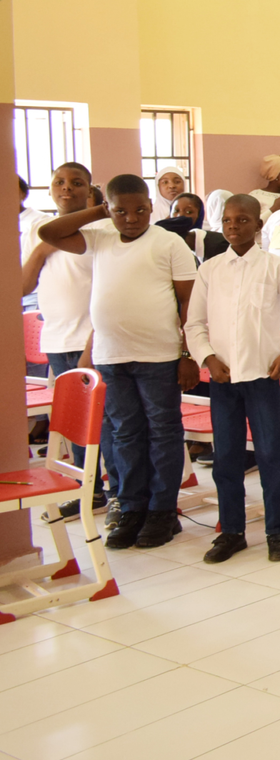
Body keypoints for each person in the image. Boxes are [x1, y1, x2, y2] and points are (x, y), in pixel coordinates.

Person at [38, 174, 200, 550]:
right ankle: (131, 508)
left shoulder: (168, 242)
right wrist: (99, 212)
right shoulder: (101, 237)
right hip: (111, 355)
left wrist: (187, 354)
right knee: (125, 433)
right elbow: (49, 233)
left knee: (162, 432)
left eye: (140, 210)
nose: (131, 218)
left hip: (159, 355)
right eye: (121, 211)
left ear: (150, 206)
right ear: (108, 209)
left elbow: (189, 304)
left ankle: (162, 511)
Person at [185, 194, 280, 564]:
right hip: (223, 379)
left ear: (258, 225)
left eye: (242, 220)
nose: (233, 226)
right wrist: (208, 358)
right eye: (227, 220)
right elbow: (194, 324)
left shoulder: (275, 267)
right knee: (226, 457)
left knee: (270, 455)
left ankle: (277, 531)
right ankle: (231, 532)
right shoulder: (210, 270)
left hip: (263, 377)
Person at [22, 161, 106, 519]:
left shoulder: (100, 230)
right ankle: (90, 490)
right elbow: (23, 285)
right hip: (57, 339)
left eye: (76, 182)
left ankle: (119, 493)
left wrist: (91, 345)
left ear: (90, 190)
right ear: (50, 189)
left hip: (91, 339)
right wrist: (43, 249)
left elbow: (107, 293)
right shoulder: (39, 230)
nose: (66, 188)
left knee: (105, 422)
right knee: (75, 422)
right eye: (59, 182)